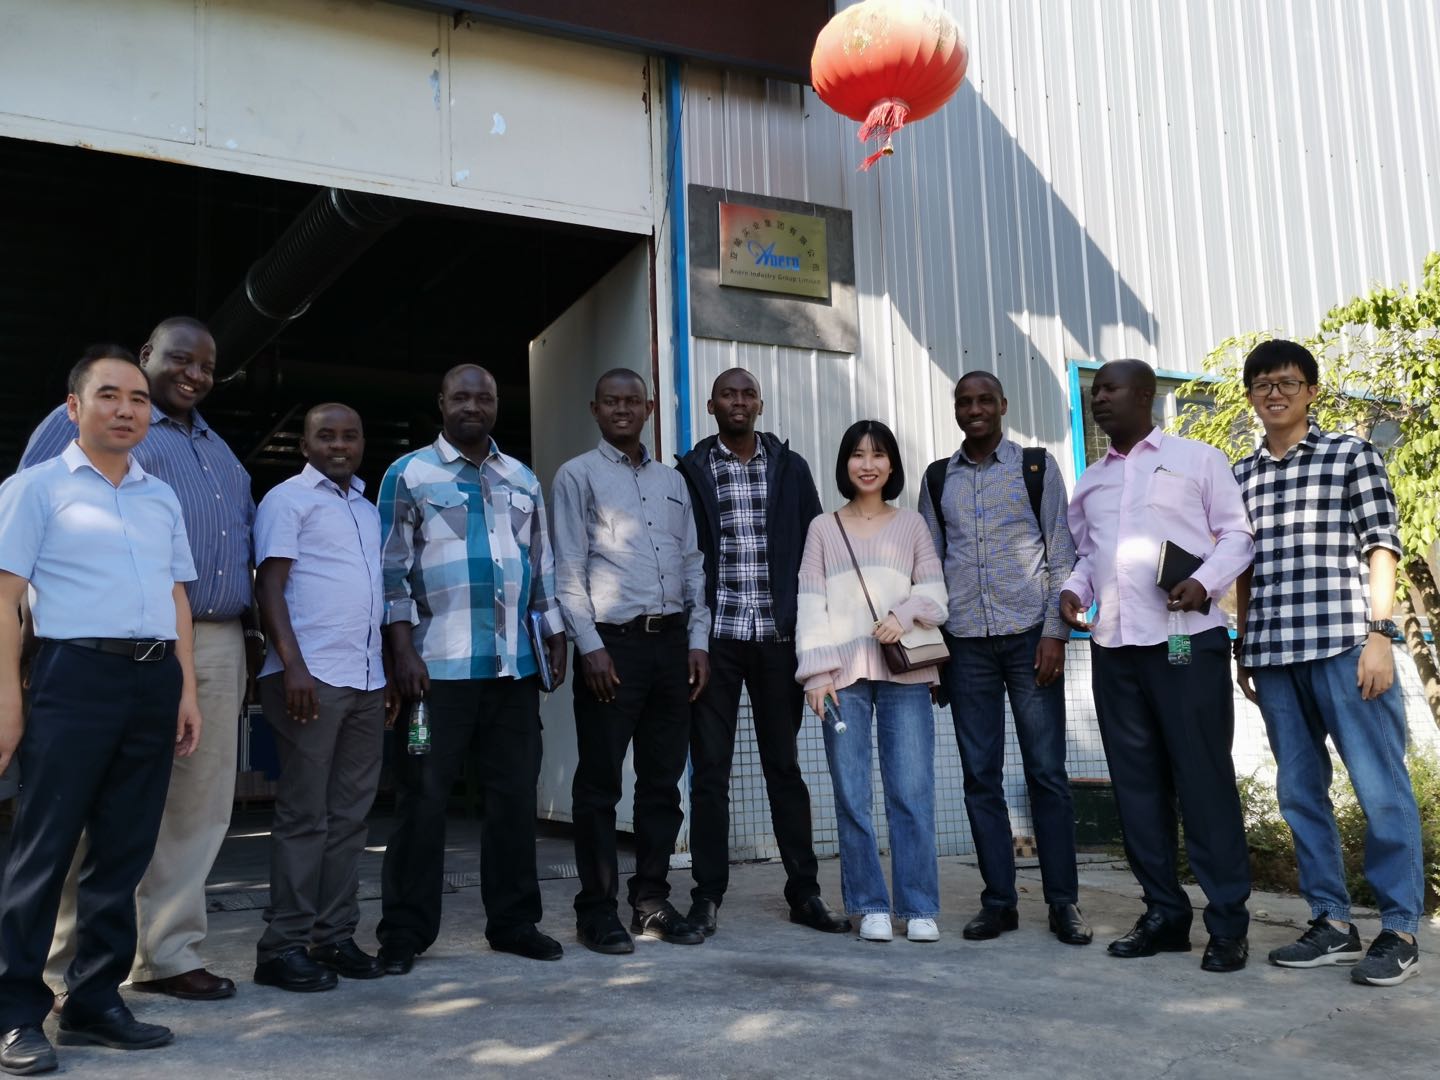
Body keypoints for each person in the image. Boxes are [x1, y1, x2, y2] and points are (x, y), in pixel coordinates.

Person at [21, 318, 256, 1003]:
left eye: (206, 365)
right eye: (180, 359)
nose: (195, 374)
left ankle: (167, 953)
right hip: (96, 645)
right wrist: (31, 653)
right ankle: (60, 963)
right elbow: (30, 539)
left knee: (196, 805)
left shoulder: (218, 450)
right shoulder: (85, 422)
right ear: (147, 354)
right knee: (83, 806)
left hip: (206, 639)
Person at [0, 350, 202, 1074]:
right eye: (109, 395)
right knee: (44, 848)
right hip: (73, 675)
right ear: (73, 407)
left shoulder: (160, 497)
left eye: (138, 399)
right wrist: (8, 698)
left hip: (152, 679)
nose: (126, 409)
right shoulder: (34, 488)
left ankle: (93, 1001)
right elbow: (5, 598)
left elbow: (177, 595)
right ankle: (16, 1012)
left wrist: (185, 689)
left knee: (124, 848)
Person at [1232, 339, 1424, 986]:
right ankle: (1331, 922)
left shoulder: (1350, 454)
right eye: (1262, 384)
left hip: (1347, 646)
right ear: (1251, 396)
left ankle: (1400, 928)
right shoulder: (1241, 474)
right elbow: (1243, 567)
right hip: (1275, 655)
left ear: (1311, 391)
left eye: (1287, 382)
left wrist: (1380, 634)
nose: (1275, 393)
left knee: (1380, 788)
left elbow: (1381, 546)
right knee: (1299, 793)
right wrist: (1244, 644)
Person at [1058, 359, 1254, 973]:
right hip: (1115, 649)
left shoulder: (1198, 459)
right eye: (1094, 391)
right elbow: (1089, 556)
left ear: (1144, 395)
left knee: (1202, 781)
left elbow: (1238, 537)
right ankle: (1165, 915)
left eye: (1109, 388)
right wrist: (1072, 590)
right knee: (1137, 788)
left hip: (1184, 645)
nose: (1098, 398)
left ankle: (1228, 924)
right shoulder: (1091, 481)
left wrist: (1205, 582)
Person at [375, 365, 568, 974]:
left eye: (484, 397)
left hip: (512, 670)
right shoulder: (408, 475)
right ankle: (405, 931)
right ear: (441, 402)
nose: (472, 406)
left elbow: (541, 565)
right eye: (460, 396)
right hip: (435, 671)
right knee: (423, 800)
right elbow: (389, 573)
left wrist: (553, 630)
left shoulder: (522, 478)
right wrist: (402, 652)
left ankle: (514, 922)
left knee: (513, 799)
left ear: (496, 404)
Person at [676, 368, 849, 937]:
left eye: (747, 393)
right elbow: (681, 555)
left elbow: (817, 550)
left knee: (784, 768)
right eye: (728, 394)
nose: (739, 401)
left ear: (760, 403)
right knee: (710, 772)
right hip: (716, 642)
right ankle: (707, 896)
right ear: (711, 405)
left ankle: (805, 893)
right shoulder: (691, 470)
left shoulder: (790, 468)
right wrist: (690, 636)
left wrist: (816, 632)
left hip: (778, 639)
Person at [919, 372, 1089, 946]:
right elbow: (929, 569)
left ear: (1003, 405)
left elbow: (1060, 553)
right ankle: (999, 902)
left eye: (985, 400)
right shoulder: (937, 478)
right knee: (979, 777)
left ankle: (1063, 903)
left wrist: (1055, 635)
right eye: (965, 402)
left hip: (1029, 640)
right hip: (965, 645)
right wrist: (935, 653)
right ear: (956, 410)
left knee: (1047, 774)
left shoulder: (1035, 467)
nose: (975, 409)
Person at [551, 368, 711, 954]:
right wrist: (588, 645)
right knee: (599, 785)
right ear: (594, 409)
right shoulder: (576, 475)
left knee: (662, 784)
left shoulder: (673, 481)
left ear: (649, 409)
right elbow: (568, 566)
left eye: (632, 401)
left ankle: (650, 901)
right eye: (610, 401)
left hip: (671, 647)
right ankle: (595, 910)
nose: (622, 409)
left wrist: (699, 640)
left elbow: (692, 563)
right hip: (611, 650)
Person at [252, 404, 398, 992]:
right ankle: (281, 947)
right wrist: (292, 665)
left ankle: (333, 935)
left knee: (350, 818)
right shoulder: (287, 500)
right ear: (304, 445)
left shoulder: (366, 508)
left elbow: (373, 595)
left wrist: (385, 672)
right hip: (309, 679)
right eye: (326, 436)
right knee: (304, 816)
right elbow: (269, 586)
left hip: (364, 679)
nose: (339, 445)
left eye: (350, 436)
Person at [796, 420, 948, 944]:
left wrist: (903, 615)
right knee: (851, 793)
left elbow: (938, 596)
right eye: (858, 454)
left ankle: (919, 906)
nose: (868, 464)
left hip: (906, 673)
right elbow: (810, 604)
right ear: (844, 464)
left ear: (891, 464)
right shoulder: (823, 528)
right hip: (842, 678)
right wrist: (816, 674)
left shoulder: (911, 525)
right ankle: (870, 905)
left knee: (912, 791)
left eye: (878, 454)